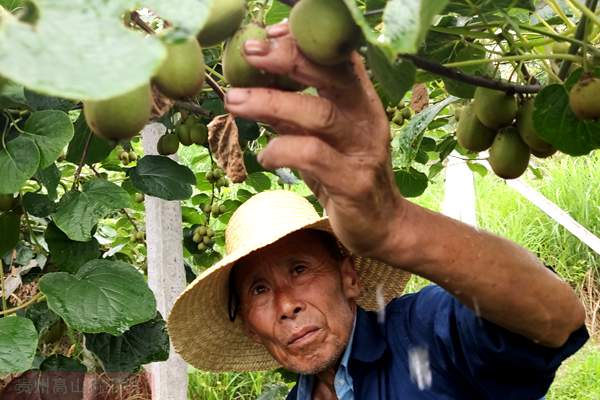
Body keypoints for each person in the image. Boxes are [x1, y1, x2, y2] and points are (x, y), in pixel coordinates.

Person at [167, 23, 589, 399]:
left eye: (299, 269)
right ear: (247, 326)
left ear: (349, 277)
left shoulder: (424, 335)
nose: (286, 304)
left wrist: (397, 228)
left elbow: (551, 320)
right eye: (258, 290)